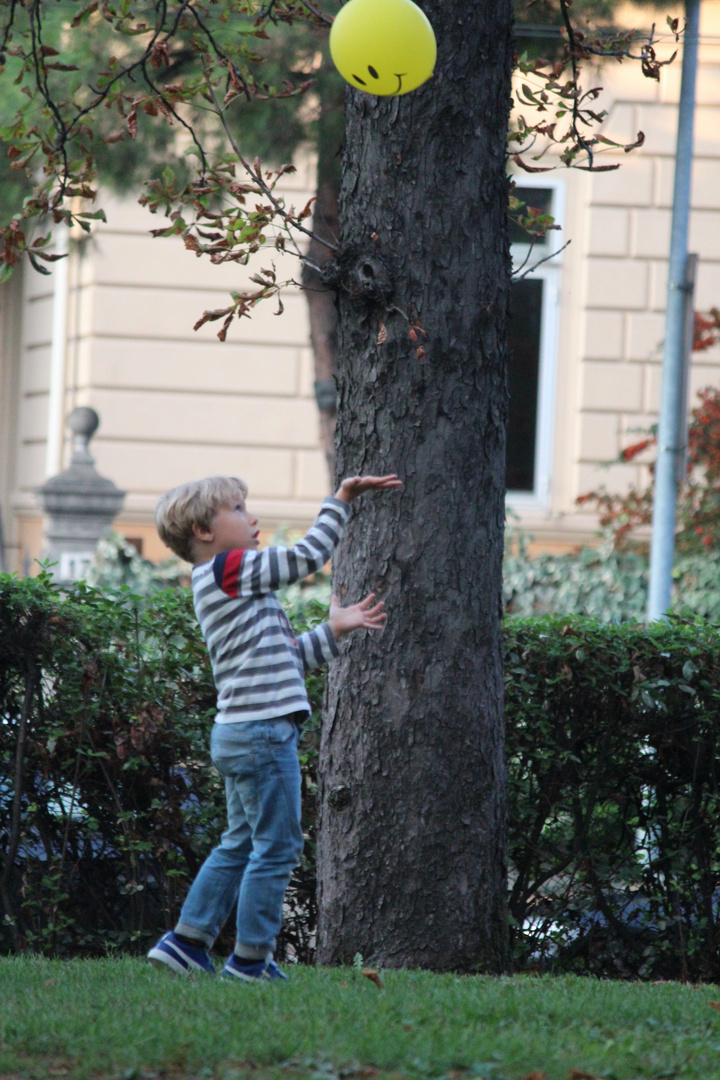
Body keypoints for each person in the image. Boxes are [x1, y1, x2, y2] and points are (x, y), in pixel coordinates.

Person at [147, 471, 402, 982]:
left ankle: (186, 943)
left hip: (241, 733)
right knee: (277, 847)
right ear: (203, 531)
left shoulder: (229, 586)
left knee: (240, 842)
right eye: (239, 510)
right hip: (262, 734)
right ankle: (250, 960)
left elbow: (287, 660)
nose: (252, 517)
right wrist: (341, 499)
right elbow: (308, 556)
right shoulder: (228, 569)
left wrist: (333, 629)